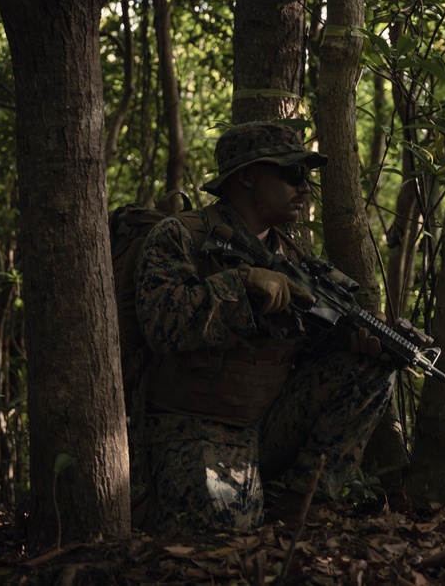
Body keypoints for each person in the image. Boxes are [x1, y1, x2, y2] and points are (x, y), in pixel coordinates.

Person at [133, 120, 395, 533]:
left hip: (266, 421)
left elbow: (304, 349)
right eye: (292, 173)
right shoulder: (181, 236)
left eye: (305, 175)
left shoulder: (292, 257)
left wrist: (358, 336)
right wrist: (242, 285)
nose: (304, 187)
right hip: (193, 423)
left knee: (374, 366)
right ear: (247, 177)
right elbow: (162, 322)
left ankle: (305, 502)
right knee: (224, 537)